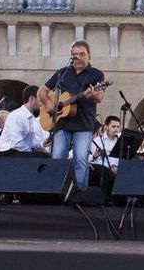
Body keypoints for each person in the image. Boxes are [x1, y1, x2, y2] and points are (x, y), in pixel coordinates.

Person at [39, 40, 106, 191]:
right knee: (57, 158)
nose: (78, 57)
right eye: (74, 54)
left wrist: (92, 94)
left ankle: (79, 193)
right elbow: (41, 92)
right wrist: (48, 103)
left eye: (82, 54)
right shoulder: (63, 72)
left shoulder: (96, 75)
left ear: (89, 56)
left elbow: (99, 98)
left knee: (81, 159)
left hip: (83, 123)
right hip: (62, 124)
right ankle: (54, 191)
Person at [0, 86, 48, 158]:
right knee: (44, 157)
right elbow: (17, 142)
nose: (41, 103)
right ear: (32, 99)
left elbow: (29, 143)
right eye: (39, 99)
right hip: (7, 152)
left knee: (46, 156)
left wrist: (42, 144)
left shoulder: (32, 118)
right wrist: (32, 151)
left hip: (19, 151)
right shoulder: (17, 115)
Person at [89, 116, 121, 193]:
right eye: (113, 126)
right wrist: (111, 167)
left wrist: (116, 167)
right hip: (103, 169)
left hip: (117, 168)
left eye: (118, 127)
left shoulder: (120, 142)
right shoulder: (97, 141)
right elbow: (93, 160)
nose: (116, 129)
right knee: (105, 172)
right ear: (106, 127)